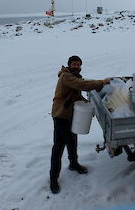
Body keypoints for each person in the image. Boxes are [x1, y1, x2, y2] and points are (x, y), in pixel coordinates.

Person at [50, 55, 111, 194]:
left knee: (72, 140)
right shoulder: (66, 77)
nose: (76, 66)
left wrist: (88, 103)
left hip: (71, 114)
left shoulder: (74, 76)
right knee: (58, 147)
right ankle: (53, 179)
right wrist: (102, 82)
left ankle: (73, 164)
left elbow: (76, 94)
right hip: (61, 116)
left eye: (78, 64)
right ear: (69, 65)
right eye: (74, 64)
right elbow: (83, 85)